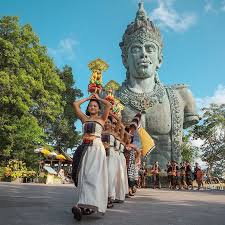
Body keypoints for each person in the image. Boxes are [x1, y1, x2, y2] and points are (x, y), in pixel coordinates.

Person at [71, 94, 111, 221]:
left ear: (99, 109)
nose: (92, 107)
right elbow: (75, 104)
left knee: (92, 177)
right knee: (84, 176)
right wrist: (88, 98)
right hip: (84, 150)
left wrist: (98, 99)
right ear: (88, 108)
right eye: (90, 106)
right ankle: (83, 205)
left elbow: (108, 105)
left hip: (97, 150)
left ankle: (82, 205)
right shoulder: (84, 118)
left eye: (95, 106)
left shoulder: (102, 119)